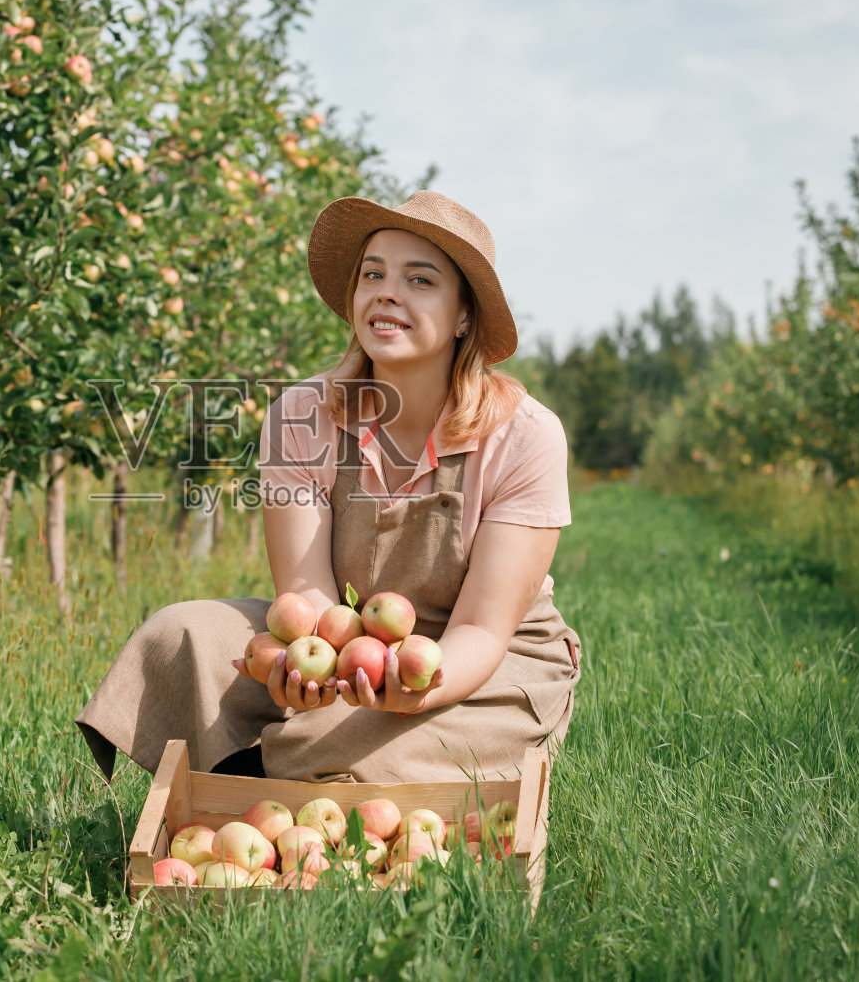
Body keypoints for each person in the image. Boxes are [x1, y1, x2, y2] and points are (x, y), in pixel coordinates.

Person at [75, 190, 581, 784]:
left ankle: (264, 777)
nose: (387, 291)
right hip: (348, 640)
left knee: (366, 744)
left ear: (464, 316)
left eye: (420, 280)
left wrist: (408, 692)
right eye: (373, 274)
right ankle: (276, 778)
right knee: (179, 636)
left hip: (479, 664)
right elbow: (308, 593)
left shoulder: (523, 436)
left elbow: (480, 630)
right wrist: (320, 672)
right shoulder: (304, 415)